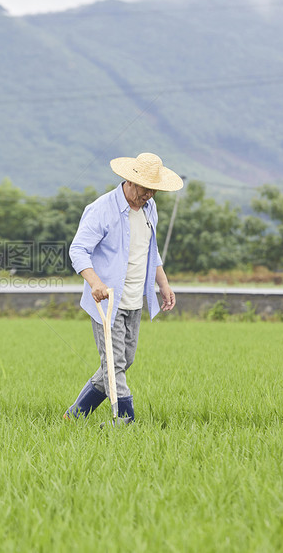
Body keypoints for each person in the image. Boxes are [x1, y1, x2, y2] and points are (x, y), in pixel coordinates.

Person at [64, 153, 183, 424]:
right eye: (145, 188)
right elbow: (78, 249)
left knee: (122, 361)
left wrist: (163, 284)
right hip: (108, 300)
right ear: (130, 180)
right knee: (114, 364)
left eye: (155, 190)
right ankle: (125, 420)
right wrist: (95, 282)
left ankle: (75, 415)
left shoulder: (149, 208)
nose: (150, 195)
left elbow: (150, 251)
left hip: (135, 300)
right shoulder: (101, 209)